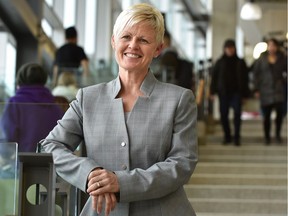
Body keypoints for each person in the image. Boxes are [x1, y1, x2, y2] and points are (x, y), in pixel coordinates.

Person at [41, 3, 198, 216]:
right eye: (126, 37)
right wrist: (91, 174)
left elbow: (182, 164)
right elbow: (50, 146)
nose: (133, 45)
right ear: (114, 41)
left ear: (158, 49)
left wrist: (119, 182)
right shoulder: (88, 98)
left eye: (143, 40)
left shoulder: (179, 99)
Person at [0, 63, 64, 152]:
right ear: (44, 80)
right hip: (51, 161)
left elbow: (8, 137)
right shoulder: (54, 105)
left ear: (20, 80)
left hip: (22, 162)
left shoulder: (14, 103)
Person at [210, 39, 250, 146]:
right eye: (227, 48)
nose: (229, 50)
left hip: (237, 92)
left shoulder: (240, 62)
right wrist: (212, 92)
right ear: (224, 49)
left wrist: (246, 95)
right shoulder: (220, 62)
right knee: (223, 115)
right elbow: (214, 78)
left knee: (237, 114)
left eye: (231, 48)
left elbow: (245, 79)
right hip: (223, 93)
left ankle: (237, 137)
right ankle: (227, 136)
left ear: (235, 49)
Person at [253, 38, 287, 144]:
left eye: (274, 45)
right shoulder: (261, 59)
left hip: (278, 90)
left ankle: (277, 134)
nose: (272, 47)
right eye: (270, 45)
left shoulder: (282, 58)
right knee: (266, 116)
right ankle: (267, 136)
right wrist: (256, 89)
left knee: (279, 115)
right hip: (265, 90)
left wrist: (283, 81)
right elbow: (256, 74)